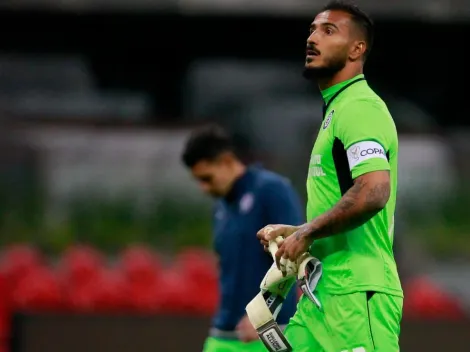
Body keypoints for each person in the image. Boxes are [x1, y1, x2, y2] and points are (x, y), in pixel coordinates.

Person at [257, 1, 403, 351]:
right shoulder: (336, 110)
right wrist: (299, 232)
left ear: (357, 49)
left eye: (328, 30)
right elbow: (346, 203)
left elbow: (373, 191)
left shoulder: (360, 108)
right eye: (312, 29)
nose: (312, 38)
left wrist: (308, 230)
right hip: (320, 296)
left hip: (357, 297)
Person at [181, 124, 303, 352]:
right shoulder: (221, 207)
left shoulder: (272, 190)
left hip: (267, 335)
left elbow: (293, 256)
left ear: (227, 161)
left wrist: (264, 312)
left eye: (207, 178)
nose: (203, 188)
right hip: (223, 335)